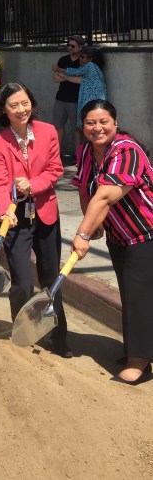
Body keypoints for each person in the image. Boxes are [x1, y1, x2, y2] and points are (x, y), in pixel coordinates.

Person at [72, 100, 153, 385]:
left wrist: (81, 234)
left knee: (139, 297)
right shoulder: (85, 152)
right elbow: (85, 189)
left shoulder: (127, 150)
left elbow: (106, 195)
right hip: (119, 236)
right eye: (90, 123)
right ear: (83, 127)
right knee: (130, 294)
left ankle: (139, 363)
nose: (97, 128)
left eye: (103, 121)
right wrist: (93, 226)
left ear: (115, 123)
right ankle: (137, 350)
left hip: (145, 235)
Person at [0, 83, 70, 357]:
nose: (21, 109)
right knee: (22, 281)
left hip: (46, 213)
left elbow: (55, 168)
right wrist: (4, 210)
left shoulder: (47, 132)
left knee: (50, 277)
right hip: (16, 218)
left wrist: (32, 185)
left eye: (25, 103)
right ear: (4, 110)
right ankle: (21, 331)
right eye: (14, 105)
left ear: (31, 103)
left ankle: (58, 337)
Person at [53, 45, 107, 135]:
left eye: (82, 57)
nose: (79, 59)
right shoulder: (96, 68)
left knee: (90, 126)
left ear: (90, 59)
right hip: (98, 102)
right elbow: (78, 79)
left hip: (91, 102)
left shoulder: (89, 66)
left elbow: (74, 72)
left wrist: (59, 70)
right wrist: (64, 76)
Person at [51, 34, 84, 151]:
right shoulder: (63, 60)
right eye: (68, 45)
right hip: (60, 99)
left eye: (73, 46)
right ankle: (56, 155)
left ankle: (78, 155)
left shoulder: (83, 61)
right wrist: (70, 76)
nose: (69, 47)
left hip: (76, 100)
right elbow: (55, 78)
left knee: (77, 129)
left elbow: (81, 80)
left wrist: (63, 75)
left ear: (80, 47)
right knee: (58, 127)